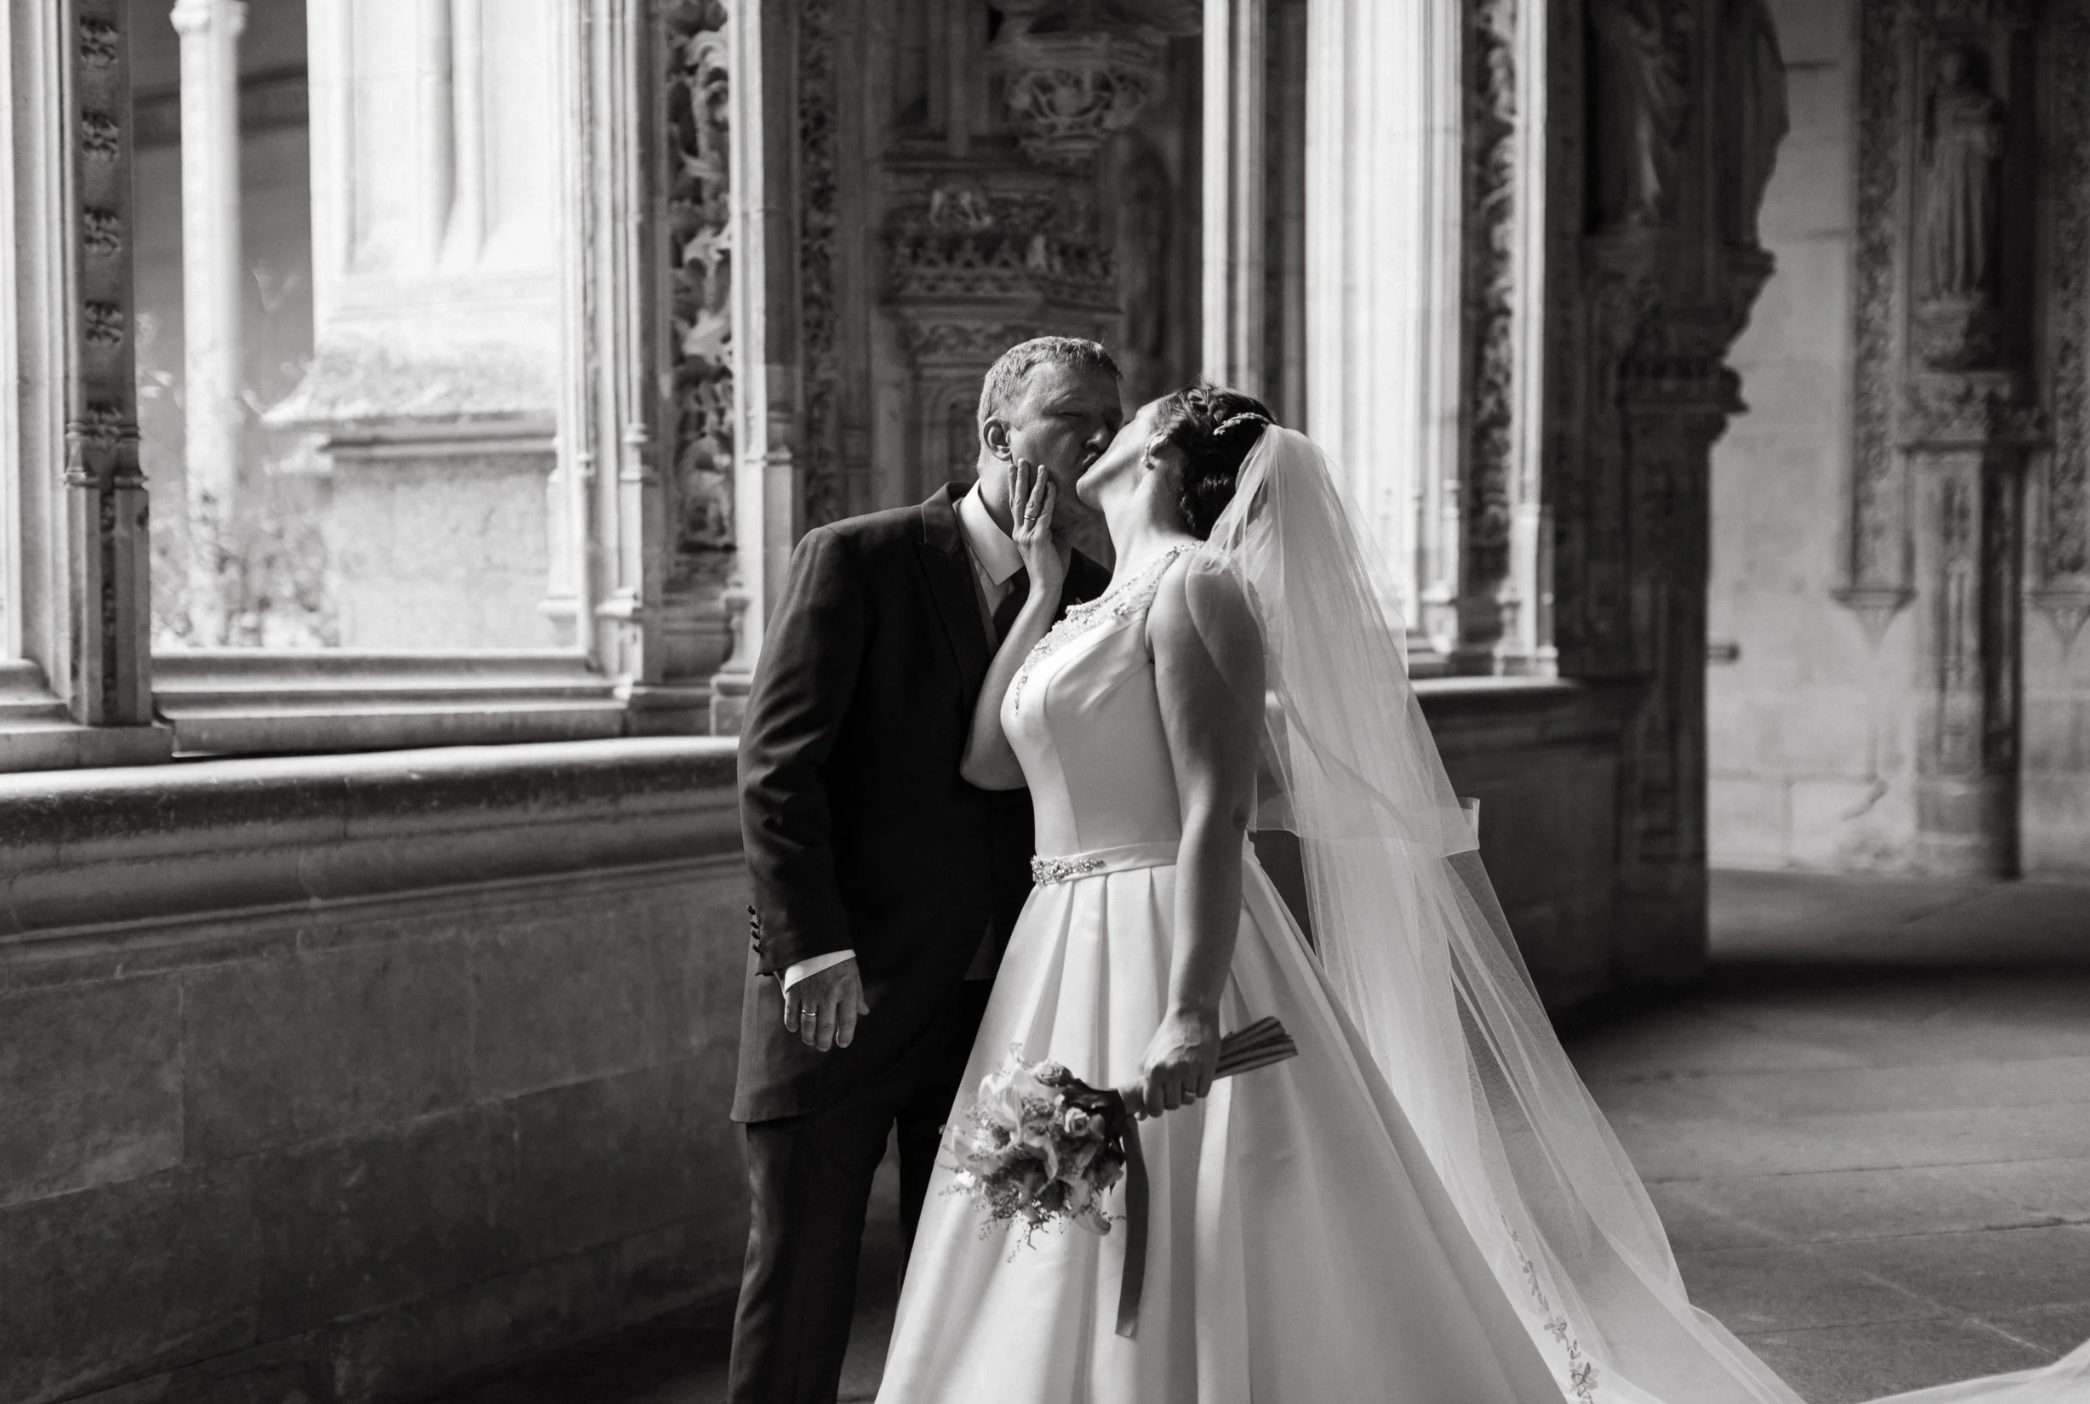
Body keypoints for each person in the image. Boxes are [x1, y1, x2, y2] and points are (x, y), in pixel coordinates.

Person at [873, 384, 2090, 1404]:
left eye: (1128, 418)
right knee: (1057, 1221)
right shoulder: (1085, 600)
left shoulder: (1198, 589)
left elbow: (1215, 812)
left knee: (1212, 1205)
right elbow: (989, 764)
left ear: (1162, 456)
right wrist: (1039, 590)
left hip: (1162, 931)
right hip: (1059, 935)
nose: (1102, 431)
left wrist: (1190, 1008)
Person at [728, 337, 1119, 1404]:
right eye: (1073, 420)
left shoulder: (1098, 595)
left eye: (1110, 423)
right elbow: (777, 769)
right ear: (997, 434)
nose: (1097, 443)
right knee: (800, 1287)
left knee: (965, 1302)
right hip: (839, 996)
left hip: (1002, 1010)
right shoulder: (856, 558)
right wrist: (811, 950)